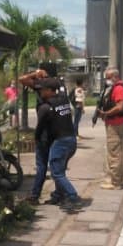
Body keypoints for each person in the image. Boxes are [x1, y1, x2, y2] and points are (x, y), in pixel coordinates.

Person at [33, 77, 82, 210]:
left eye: (42, 90)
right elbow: (60, 87)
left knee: (56, 173)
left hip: (60, 142)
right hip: (71, 140)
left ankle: (72, 197)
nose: (40, 92)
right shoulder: (63, 99)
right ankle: (58, 195)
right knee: (60, 171)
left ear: (49, 90)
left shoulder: (45, 107)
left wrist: (36, 140)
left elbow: (39, 129)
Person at [19, 69, 51, 205]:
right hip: (54, 131)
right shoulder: (56, 86)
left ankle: (35, 195)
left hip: (45, 131)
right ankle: (60, 194)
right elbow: (21, 79)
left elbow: (22, 79)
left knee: (42, 165)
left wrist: (34, 74)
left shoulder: (41, 86)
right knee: (56, 168)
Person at [96, 67, 123, 190]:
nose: (106, 80)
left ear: (115, 77)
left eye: (108, 78)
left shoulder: (119, 88)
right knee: (116, 152)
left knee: (114, 153)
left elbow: (120, 107)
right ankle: (116, 180)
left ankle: (115, 183)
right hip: (117, 122)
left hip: (115, 124)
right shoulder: (118, 87)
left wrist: (106, 113)